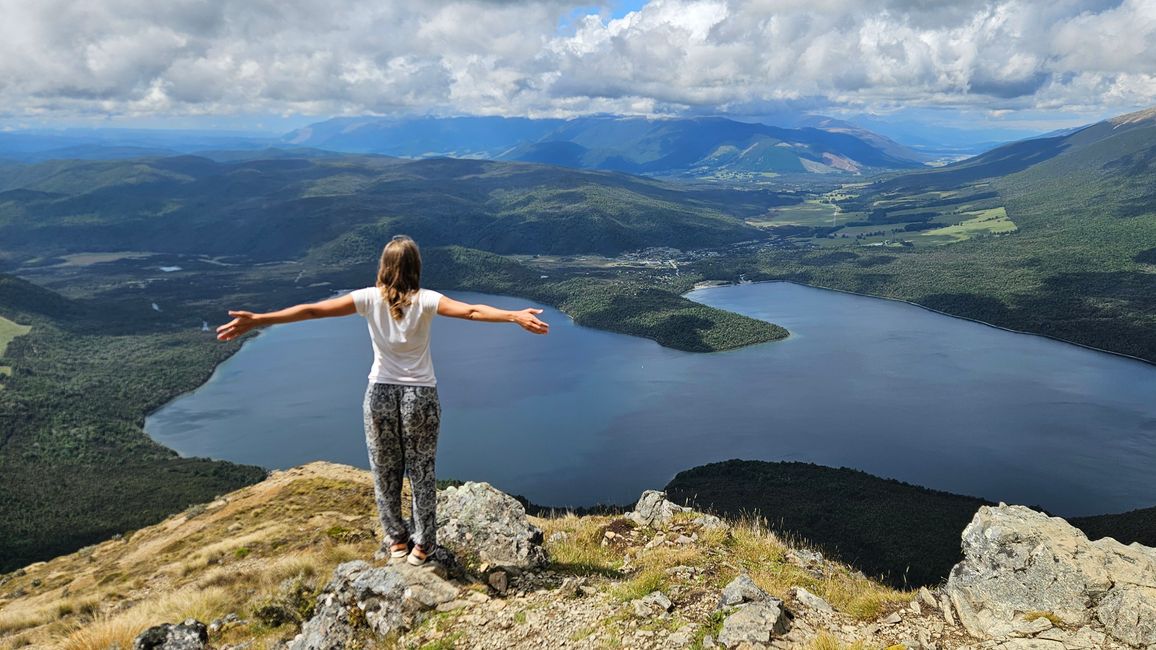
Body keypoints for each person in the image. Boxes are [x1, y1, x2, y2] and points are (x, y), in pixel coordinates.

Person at [216, 235, 548, 565]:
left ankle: (397, 540)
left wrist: (260, 319)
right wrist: (514, 316)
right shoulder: (427, 300)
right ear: (416, 267)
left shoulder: (367, 299)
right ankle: (423, 545)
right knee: (421, 470)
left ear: (384, 267)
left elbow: (313, 311)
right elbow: (473, 311)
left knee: (384, 469)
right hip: (420, 396)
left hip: (379, 394)